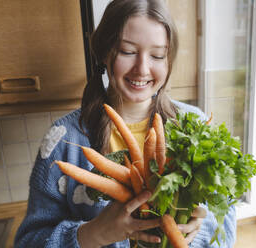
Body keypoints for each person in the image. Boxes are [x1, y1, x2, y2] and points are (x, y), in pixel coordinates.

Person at [14, 0, 237, 247]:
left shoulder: (195, 126)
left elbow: (226, 217)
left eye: (157, 55)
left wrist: (199, 230)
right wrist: (92, 233)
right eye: (128, 52)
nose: (142, 69)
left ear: (168, 60)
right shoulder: (64, 142)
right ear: (105, 53)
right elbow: (28, 242)